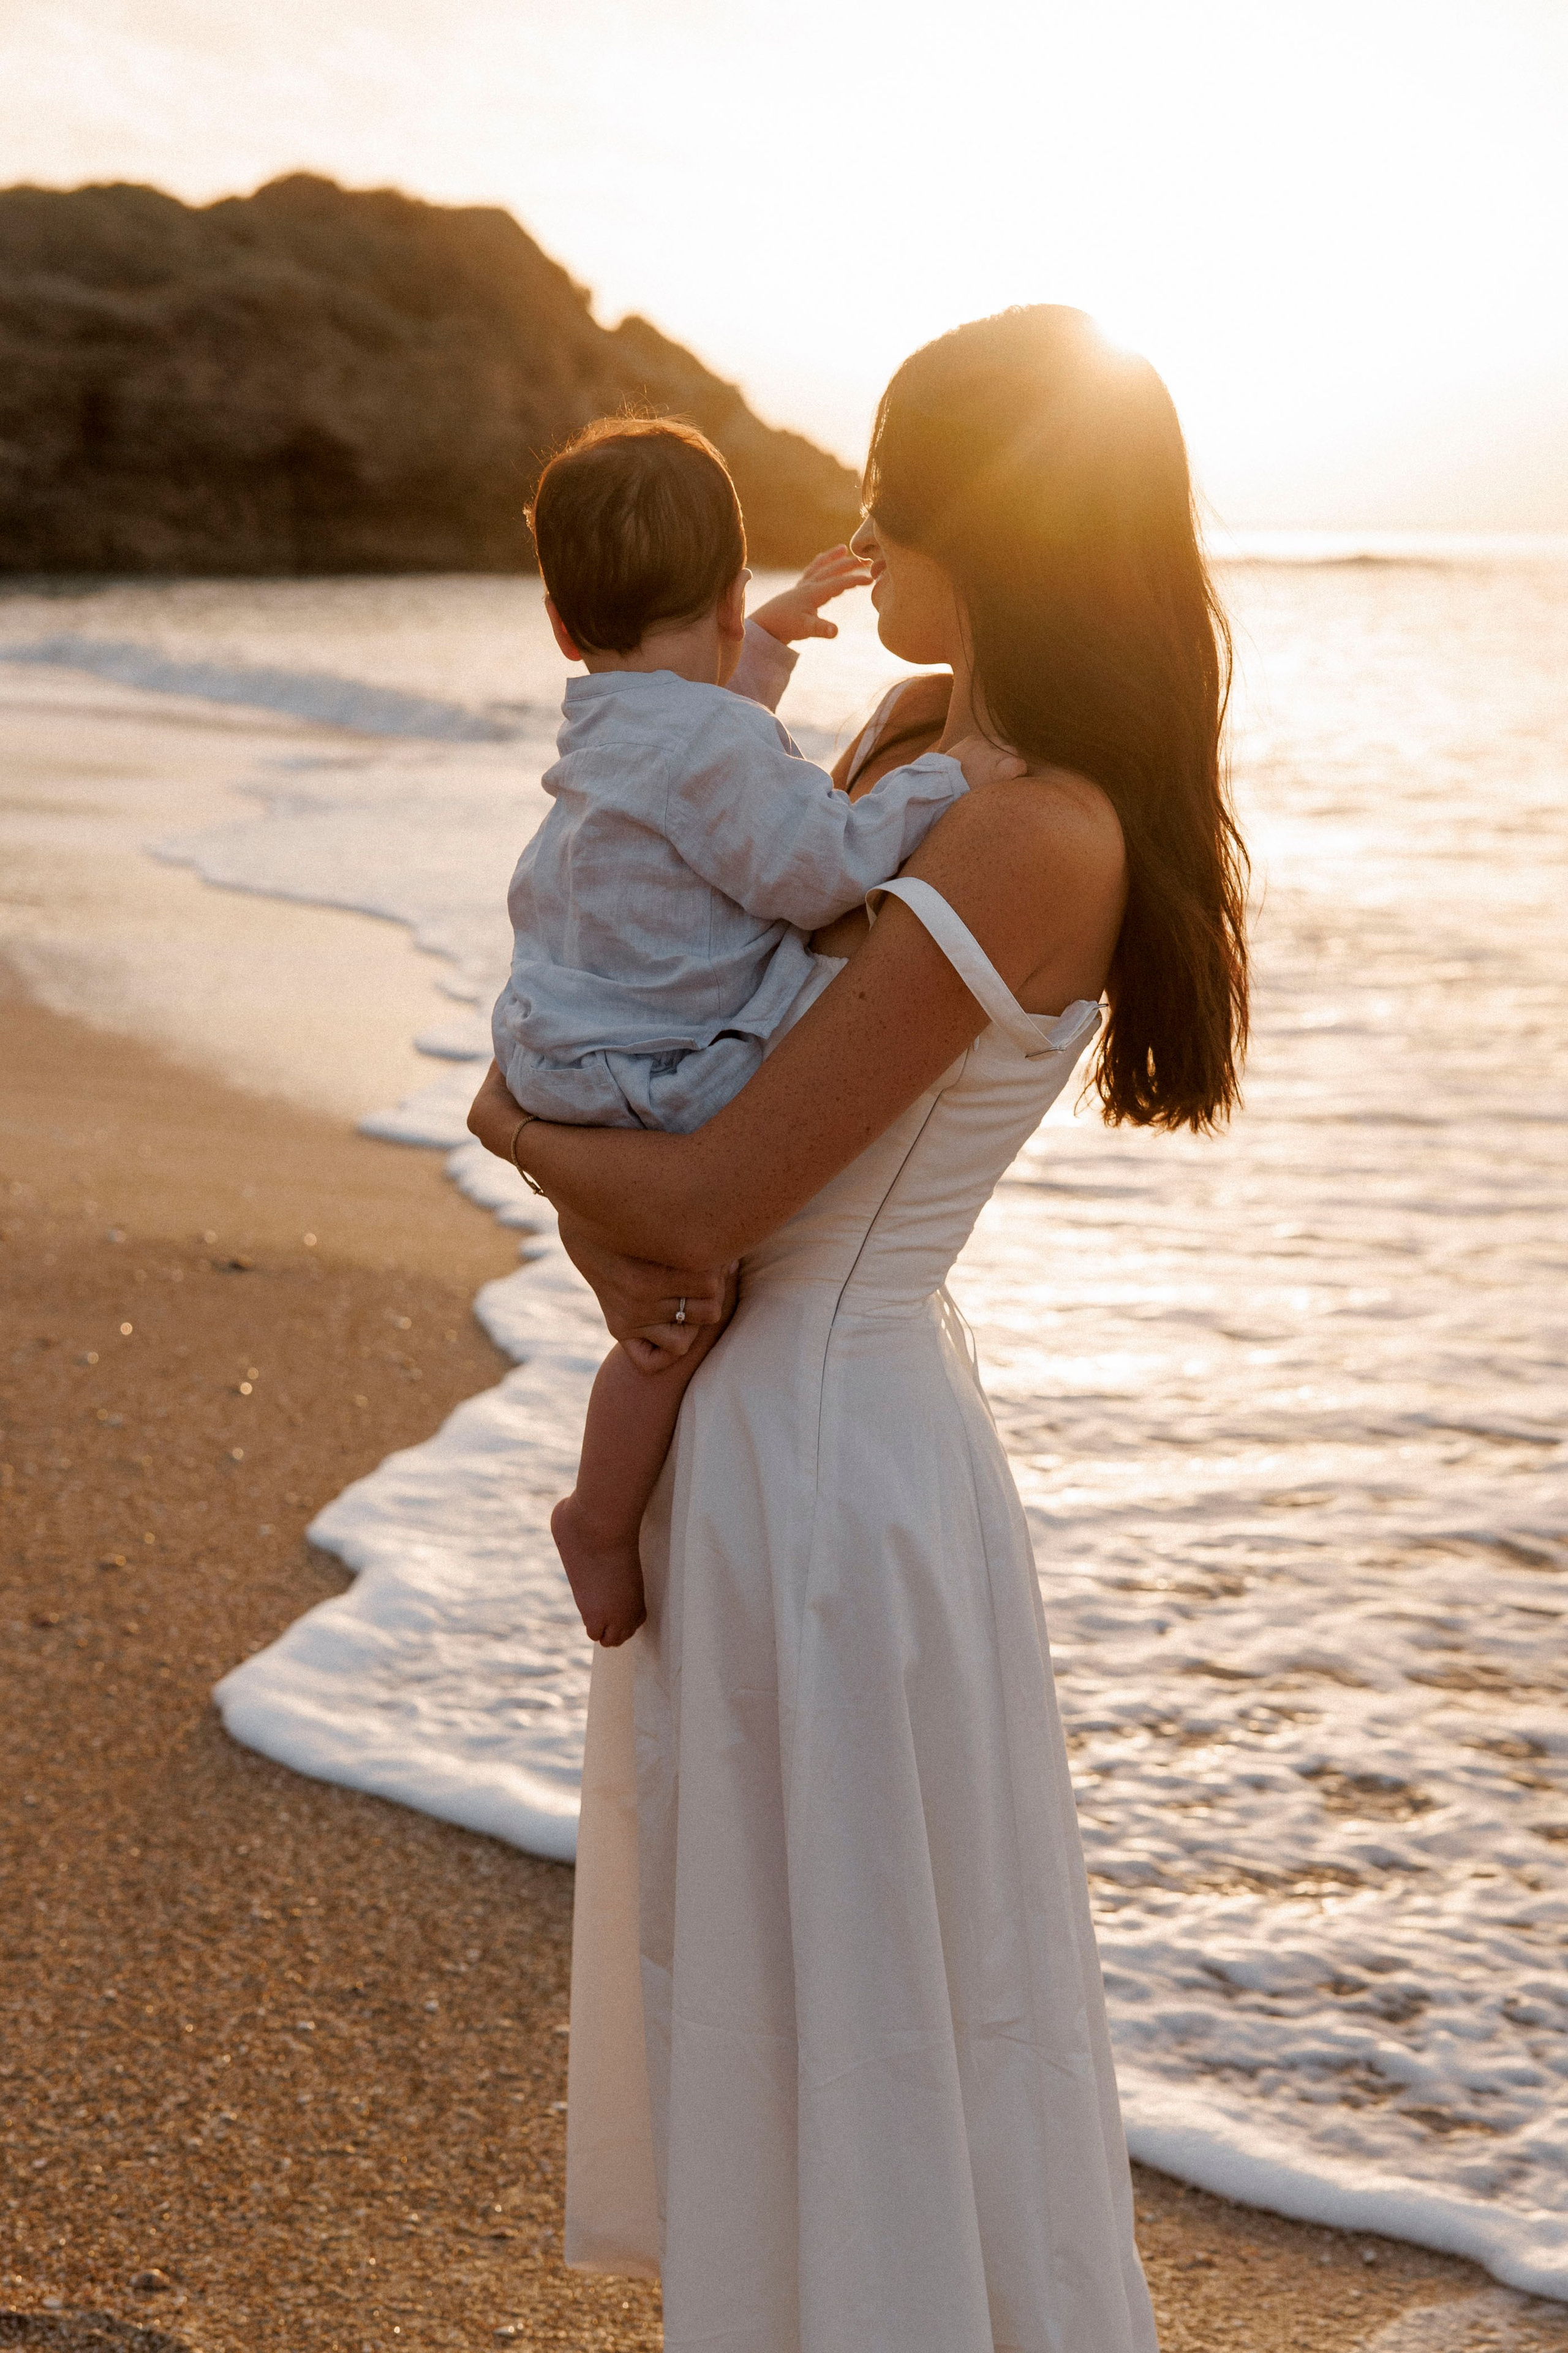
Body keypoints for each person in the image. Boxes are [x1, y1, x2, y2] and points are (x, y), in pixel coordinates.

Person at [469, 306, 1248, 2352]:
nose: (860, 529)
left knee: (889, 1992)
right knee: (811, 1978)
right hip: (771, 1427)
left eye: (892, 490)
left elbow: (723, 1192)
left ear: (982, 519)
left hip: (835, 1456)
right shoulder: (911, 743)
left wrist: (507, 1118)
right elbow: (707, 985)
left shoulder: (1042, 830)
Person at [492, 415, 1019, 1648]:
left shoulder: (609, 717)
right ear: (729, 600)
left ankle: (608, 1511)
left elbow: (698, 741)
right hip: (655, 1076)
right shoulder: (711, 742)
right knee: (682, 1319)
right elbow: (811, 867)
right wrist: (939, 788)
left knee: (655, 1322)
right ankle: (600, 1519)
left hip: (559, 1044)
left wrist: (770, 634)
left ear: (564, 628)